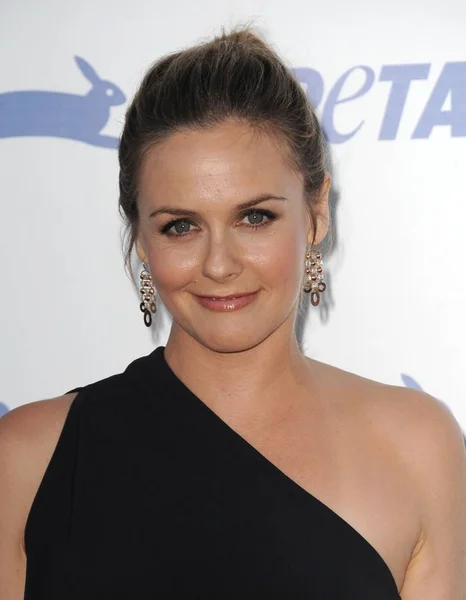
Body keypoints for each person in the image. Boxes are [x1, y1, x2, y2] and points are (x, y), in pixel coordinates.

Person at [1, 26, 465, 600]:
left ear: (317, 212)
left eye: (255, 217)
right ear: (141, 238)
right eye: (181, 226)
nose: (219, 264)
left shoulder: (416, 446)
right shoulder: (28, 458)